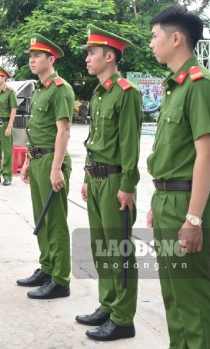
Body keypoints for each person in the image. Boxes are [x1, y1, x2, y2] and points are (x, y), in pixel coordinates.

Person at [146, 5, 210, 349]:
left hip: (187, 202)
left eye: (155, 36)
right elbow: (172, 153)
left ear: (176, 39)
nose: (151, 43)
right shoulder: (173, 86)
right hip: (167, 199)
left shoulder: (199, 84)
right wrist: (158, 200)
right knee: (174, 293)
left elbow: (206, 154)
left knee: (192, 292)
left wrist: (193, 217)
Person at [75, 25, 142, 342]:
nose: (87, 58)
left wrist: (128, 185)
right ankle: (108, 304)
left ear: (109, 55)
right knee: (101, 249)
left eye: (92, 53)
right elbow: (94, 141)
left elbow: (130, 144)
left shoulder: (126, 93)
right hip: (97, 179)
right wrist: (88, 175)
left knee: (119, 251)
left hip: (117, 181)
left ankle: (123, 318)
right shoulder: (99, 93)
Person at [17, 34, 74, 300]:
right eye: (31, 56)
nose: (32, 60)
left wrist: (56, 167)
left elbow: (64, 131)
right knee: (42, 219)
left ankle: (60, 279)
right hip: (38, 159)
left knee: (56, 222)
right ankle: (48, 267)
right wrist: (28, 160)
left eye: (37, 56)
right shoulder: (40, 89)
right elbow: (36, 131)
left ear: (51, 59)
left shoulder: (60, 88)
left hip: (53, 161)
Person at [0, 66, 17, 186]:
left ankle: (7, 175)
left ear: (4, 78)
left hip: (5, 124)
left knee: (7, 152)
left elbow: (13, 109)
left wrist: (9, 126)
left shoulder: (10, 92)